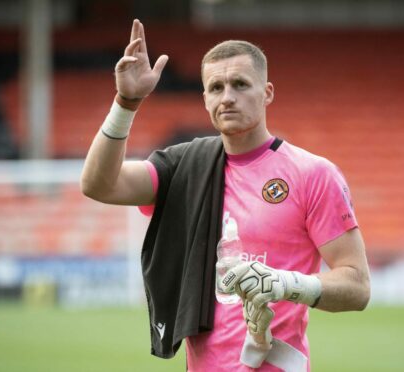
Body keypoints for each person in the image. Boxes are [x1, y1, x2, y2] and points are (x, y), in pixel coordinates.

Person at [81, 19, 371, 371]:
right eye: (216, 87)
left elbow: (357, 285)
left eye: (240, 84)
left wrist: (284, 284)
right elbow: (99, 184)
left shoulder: (313, 174)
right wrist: (126, 103)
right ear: (205, 99)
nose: (227, 97)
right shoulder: (184, 166)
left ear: (267, 92)